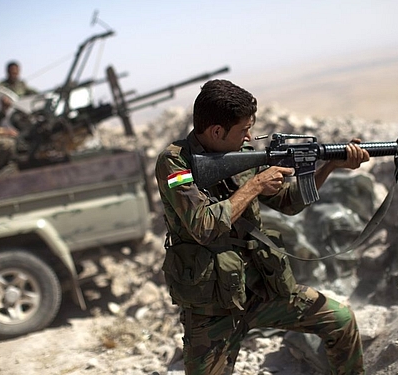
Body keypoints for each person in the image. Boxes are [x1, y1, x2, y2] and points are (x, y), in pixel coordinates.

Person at [155, 79, 370, 375]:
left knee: (341, 319)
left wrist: (329, 166)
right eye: (244, 130)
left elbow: (288, 204)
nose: (250, 137)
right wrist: (256, 185)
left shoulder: (242, 153)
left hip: (263, 288)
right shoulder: (175, 162)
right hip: (213, 306)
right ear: (217, 131)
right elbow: (202, 226)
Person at [0, 61, 37, 131]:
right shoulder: (1, 85)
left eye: (16, 73)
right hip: (6, 117)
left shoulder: (22, 84)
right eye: (12, 72)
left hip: (20, 115)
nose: (14, 75)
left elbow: (33, 93)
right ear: (7, 72)